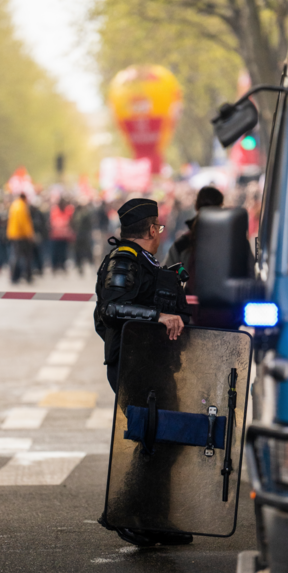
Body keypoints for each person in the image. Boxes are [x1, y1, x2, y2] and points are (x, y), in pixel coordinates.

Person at [93, 197, 193, 548]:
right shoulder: (124, 260)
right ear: (151, 229)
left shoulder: (148, 263)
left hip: (155, 363)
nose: (160, 233)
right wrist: (158, 317)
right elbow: (112, 307)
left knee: (167, 437)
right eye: (159, 228)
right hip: (133, 365)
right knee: (155, 438)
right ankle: (123, 512)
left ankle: (154, 518)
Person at [6, 192, 35, 284]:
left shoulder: (14, 205)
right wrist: (29, 234)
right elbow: (24, 222)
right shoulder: (22, 206)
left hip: (13, 234)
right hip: (21, 235)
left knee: (15, 255)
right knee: (24, 257)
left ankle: (15, 276)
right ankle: (24, 276)